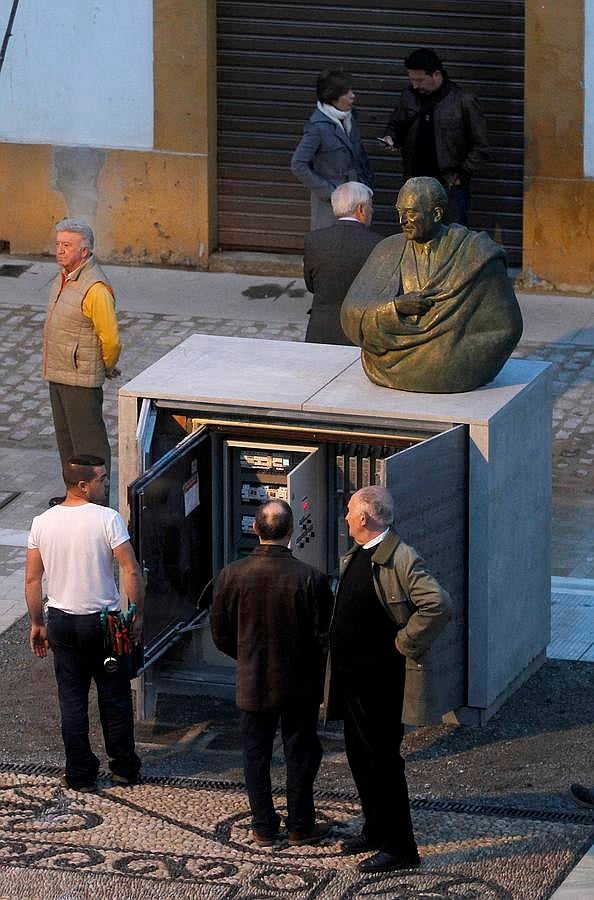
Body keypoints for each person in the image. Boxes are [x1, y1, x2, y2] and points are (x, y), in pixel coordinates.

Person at [326, 486, 452, 874]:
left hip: (380, 682)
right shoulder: (359, 554)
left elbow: (438, 603)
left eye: (350, 511)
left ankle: (400, 846)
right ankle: (375, 829)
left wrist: (402, 642)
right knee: (359, 757)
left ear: (365, 518)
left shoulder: (401, 557)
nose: (346, 516)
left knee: (382, 761)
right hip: (353, 678)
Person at [210, 499, 334, 847]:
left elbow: (219, 632)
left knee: (255, 754)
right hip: (299, 684)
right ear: (291, 532)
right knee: (301, 753)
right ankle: (300, 824)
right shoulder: (311, 578)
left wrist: (245, 654)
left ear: (255, 529)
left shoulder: (232, 575)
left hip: (252, 679)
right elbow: (325, 635)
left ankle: (263, 825)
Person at [25, 455, 145, 791]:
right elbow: (130, 570)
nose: (106, 484)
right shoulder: (108, 519)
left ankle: (79, 772)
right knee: (114, 696)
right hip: (103, 624)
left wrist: (38, 623)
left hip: (61, 620)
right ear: (83, 485)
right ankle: (123, 767)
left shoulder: (41, 522)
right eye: (102, 480)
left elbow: (33, 580)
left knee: (72, 700)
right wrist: (135, 614)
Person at [340, 176, 523, 393]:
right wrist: (395, 308)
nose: (402, 220)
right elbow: (351, 311)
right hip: (389, 364)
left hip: (455, 364)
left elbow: (506, 327)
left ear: (436, 214)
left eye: (411, 213)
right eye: (399, 211)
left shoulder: (476, 254)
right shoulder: (387, 249)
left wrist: (451, 359)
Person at [43, 218, 121, 491]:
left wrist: (105, 366)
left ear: (84, 252)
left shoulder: (95, 288)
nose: (60, 250)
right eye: (58, 244)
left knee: (90, 452)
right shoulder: (64, 278)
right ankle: (74, 500)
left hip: (80, 381)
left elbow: (110, 339)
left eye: (67, 245)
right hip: (60, 375)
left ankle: (98, 506)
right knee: (69, 449)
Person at [381, 48, 490, 226]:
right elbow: (397, 124)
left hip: (449, 186)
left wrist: (461, 175)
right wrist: (391, 137)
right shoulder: (409, 97)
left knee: (452, 237)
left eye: (420, 80)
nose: (415, 85)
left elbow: (480, 146)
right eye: (412, 80)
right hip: (414, 185)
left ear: (436, 74)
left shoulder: (463, 101)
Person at [291, 69, 373, 230]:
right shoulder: (317, 128)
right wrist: (330, 192)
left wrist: (367, 184)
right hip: (331, 206)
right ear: (332, 98)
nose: (352, 96)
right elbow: (298, 164)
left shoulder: (350, 118)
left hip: (357, 199)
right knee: (329, 246)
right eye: (346, 92)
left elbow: (360, 156)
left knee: (356, 244)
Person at [303, 182, 384, 345]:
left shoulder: (314, 240)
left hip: (321, 329)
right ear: (361, 209)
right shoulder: (378, 244)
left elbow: (311, 285)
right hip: (360, 331)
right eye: (370, 206)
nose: (372, 211)